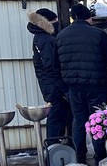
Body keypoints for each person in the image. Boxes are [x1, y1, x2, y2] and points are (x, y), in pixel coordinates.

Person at [56, 2, 107, 165]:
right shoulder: (98, 35)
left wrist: (64, 86)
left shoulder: (61, 36)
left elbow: (54, 64)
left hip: (73, 87)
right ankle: (99, 156)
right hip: (97, 85)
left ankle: (80, 156)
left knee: (78, 121)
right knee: (97, 119)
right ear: (89, 17)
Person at [26, 8, 72, 140]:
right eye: (54, 20)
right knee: (57, 118)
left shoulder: (41, 37)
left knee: (57, 116)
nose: (57, 23)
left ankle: (55, 149)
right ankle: (54, 149)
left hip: (50, 85)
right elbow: (51, 66)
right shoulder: (45, 39)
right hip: (54, 87)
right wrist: (63, 88)